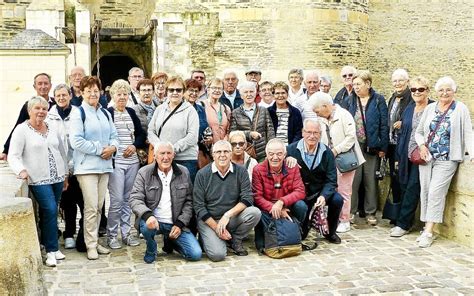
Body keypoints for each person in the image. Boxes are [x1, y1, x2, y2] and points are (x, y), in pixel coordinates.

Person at [9, 96, 68, 267]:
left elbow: (62, 151)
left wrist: (65, 174)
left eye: (44, 108)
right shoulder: (22, 130)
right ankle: (50, 250)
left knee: (52, 210)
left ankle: (52, 246)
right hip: (38, 177)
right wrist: (21, 170)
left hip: (57, 176)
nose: (41, 112)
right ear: (29, 111)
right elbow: (13, 155)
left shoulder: (51, 127)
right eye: (37, 108)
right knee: (49, 209)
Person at [415, 76, 473, 248]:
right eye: (441, 90)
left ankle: (428, 232)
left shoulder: (460, 108)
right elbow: (418, 132)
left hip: (447, 159)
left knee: (435, 192)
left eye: (448, 89)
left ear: (454, 91)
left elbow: (468, 133)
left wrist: (472, 153)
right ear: (436, 92)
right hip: (427, 158)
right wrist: (422, 146)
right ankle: (426, 227)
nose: (444, 93)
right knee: (425, 192)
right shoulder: (431, 108)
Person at [69, 75, 119, 260]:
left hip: (104, 166)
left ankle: (95, 240)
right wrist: (100, 150)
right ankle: (90, 245)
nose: (93, 94)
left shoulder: (105, 113)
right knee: (90, 207)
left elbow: (114, 135)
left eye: (95, 90)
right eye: (88, 91)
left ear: (101, 92)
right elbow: (76, 141)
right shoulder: (78, 113)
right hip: (87, 168)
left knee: (99, 207)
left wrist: (113, 147)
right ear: (82, 93)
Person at [130, 141, 202, 263]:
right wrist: (148, 216)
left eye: (169, 153)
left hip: (174, 223)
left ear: (173, 155)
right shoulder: (144, 172)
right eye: (162, 153)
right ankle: (151, 247)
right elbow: (135, 198)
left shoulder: (183, 172)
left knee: (195, 254)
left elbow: (189, 201)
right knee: (147, 228)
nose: (166, 157)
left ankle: (171, 241)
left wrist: (180, 224)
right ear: (155, 156)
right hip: (153, 222)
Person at [193, 140, 261, 261]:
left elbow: (247, 198)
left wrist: (227, 215)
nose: (222, 155)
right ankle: (211, 238)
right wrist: (217, 228)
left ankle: (235, 239)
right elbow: (199, 206)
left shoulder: (241, 171)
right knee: (218, 255)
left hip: (230, 218)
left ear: (231, 154)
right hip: (209, 220)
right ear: (213, 155)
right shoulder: (202, 174)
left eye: (226, 151)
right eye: (218, 152)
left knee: (254, 212)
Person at [308, 92, 365, 233]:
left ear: (325, 106)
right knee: (330, 188)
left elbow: (351, 138)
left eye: (317, 110)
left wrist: (335, 150)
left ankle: (345, 220)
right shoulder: (321, 119)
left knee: (344, 190)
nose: (316, 113)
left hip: (345, 159)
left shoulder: (344, 115)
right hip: (328, 159)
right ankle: (330, 218)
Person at [286, 119, 344, 244]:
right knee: (300, 207)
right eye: (308, 132)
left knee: (337, 199)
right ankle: (301, 229)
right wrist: (287, 160)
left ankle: (330, 232)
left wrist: (324, 196)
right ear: (302, 132)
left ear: (320, 134)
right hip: (299, 193)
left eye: (315, 133)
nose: (312, 136)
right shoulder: (291, 150)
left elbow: (331, 180)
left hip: (319, 191)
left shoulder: (327, 152)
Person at [105, 79, 146, 249]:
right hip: (116, 162)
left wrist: (134, 146)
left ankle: (127, 233)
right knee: (116, 200)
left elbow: (141, 135)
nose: (122, 97)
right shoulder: (107, 113)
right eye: (118, 94)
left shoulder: (131, 112)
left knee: (129, 199)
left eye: (125, 94)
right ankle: (112, 235)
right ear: (112, 95)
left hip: (133, 162)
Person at [391, 76, 433, 238]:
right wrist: (397, 157)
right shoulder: (409, 108)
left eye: (421, 89)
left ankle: (403, 224)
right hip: (405, 154)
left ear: (427, 91)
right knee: (403, 186)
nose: (417, 92)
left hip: (422, 156)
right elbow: (403, 134)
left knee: (413, 188)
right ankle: (406, 221)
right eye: (414, 89)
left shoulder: (432, 108)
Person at [346, 70, 388, 226]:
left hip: (372, 146)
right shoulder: (350, 100)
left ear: (368, 84)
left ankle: (370, 212)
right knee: (353, 180)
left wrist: (383, 146)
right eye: (354, 84)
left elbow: (384, 124)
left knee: (370, 180)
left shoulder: (378, 100)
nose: (355, 87)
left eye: (359, 84)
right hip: (354, 146)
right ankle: (351, 211)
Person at [252, 139, 307, 253]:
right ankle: (269, 237)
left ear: (285, 154)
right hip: (267, 209)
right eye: (271, 154)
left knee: (301, 206)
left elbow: (300, 191)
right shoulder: (258, 169)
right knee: (257, 212)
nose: (275, 157)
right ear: (266, 155)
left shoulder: (292, 167)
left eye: (279, 154)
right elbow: (257, 197)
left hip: (287, 206)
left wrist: (281, 202)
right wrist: (274, 208)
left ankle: (294, 231)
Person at [47, 84, 84, 250]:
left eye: (64, 95)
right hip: (61, 167)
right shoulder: (50, 116)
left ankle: (84, 234)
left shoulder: (78, 112)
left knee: (84, 202)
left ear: (70, 96)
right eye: (58, 95)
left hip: (80, 164)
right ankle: (69, 234)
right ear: (54, 97)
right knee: (68, 202)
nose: (61, 98)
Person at [148, 76, 199, 182]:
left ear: (183, 92)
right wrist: (161, 148)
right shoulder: (159, 109)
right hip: (163, 159)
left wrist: (172, 149)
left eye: (178, 90)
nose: (175, 92)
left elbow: (193, 136)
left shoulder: (190, 111)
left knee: (184, 192)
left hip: (185, 159)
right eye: (171, 90)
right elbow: (151, 131)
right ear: (167, 91)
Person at [1, 73, 56, 161]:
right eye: (40, 83)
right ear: (34, 86)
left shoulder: (56, 103)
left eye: (46, 83)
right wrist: (6, 150)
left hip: (53, 146)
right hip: (35, 150)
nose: (43, 86)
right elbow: (17, 126)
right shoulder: (28, 105)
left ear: (50, 86)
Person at [386, 69, 413, 211]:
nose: (398, 83)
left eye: (401, 80)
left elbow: (416, 117)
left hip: (403, 144)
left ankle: (402, 212)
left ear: (407, 82)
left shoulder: (412, 97)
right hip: (392, 144)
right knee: (394, 178)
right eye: (395, 81)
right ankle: (395, 211)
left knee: (402, 178)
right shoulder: (393, 97)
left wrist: (404, 122)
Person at [230, 81, 275, 162]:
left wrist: (270, 152)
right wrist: (249, 134)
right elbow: (233, 134)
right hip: (245, 154)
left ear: (255, 93)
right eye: (246, 92)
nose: (249, 94)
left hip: (263, 154)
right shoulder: (235, 113)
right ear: (241, 95)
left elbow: (270, 132)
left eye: (251, 91)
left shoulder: (263, 110)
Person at [184, 79, 212, 169]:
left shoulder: (200, 109)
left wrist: (208, 138)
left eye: (196, 91)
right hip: (184, 153)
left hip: (199, 152)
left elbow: (205, 127)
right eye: (191, 90)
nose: (194, 93)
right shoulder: (179, 109)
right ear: (184, 91)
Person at [204, 78, 232, 143]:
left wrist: (225, 140)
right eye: (214, 88)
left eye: (220, 88)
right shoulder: (201, 106)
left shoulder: (226, 108)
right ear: (208, 89)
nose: (217, 90)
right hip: (207, 147)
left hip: (223, 147)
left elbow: (229, 129)